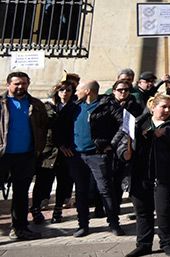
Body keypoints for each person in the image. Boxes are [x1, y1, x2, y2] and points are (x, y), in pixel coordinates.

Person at [55, 80, 124, 237]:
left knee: (105, 189)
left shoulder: (107, 106)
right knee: (81, 191)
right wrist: (62, 145)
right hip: (76, 156)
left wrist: (111, 145)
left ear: (87, 91)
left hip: (98, 155)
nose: (75, 92)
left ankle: (114, 224)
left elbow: (124, 124)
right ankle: (83, 225)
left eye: (78, 89)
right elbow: (58, 126)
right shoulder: (73, 107)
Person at [125, 94, 170, 257]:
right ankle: (143, 244)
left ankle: (166, 243)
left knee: (164, 211)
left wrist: (167, 135)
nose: (167, 110)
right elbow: (121, 140)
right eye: (163, 106)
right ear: (153, 107)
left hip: (165, 175)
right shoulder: (140, 122)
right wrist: (124, 149)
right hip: (140, 174)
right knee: (142, 211)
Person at [2, 71, 51, 239]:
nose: (20, 86)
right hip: (2, 156)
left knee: (21, 194)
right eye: (16, 83)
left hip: (25, 156)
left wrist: (39, 148)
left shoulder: (36, 104)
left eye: (24, 83)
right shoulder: (1, 104)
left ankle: (19, 228)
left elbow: (44, 127)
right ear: (8, 84)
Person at [32, 82, 75, 225]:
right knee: (42, 182)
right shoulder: (47, 107)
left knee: (63, 182)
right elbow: (44, 127)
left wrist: (66, 145)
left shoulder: (74, 108)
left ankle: (58, 210)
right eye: (62, 90)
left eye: (68, 90)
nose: (65, 93)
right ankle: (36, 209)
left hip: (67, 152)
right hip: (48, 151)